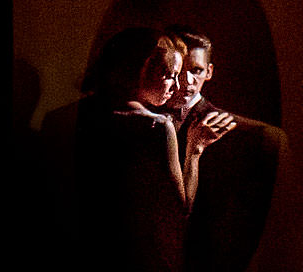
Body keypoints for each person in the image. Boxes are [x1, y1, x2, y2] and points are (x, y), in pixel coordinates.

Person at [68, 26, 235, 272]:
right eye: (169, 74)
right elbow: (181, 207)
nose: (177, 85)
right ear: (137, 70)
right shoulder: (156, 126)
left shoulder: (74, 115)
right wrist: (195, 150)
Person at [167, 29, 285, 272]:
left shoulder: (249, 136)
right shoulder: (134, 121)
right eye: (181, 70)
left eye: (197, 70)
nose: (188, 81)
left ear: (209, 72)